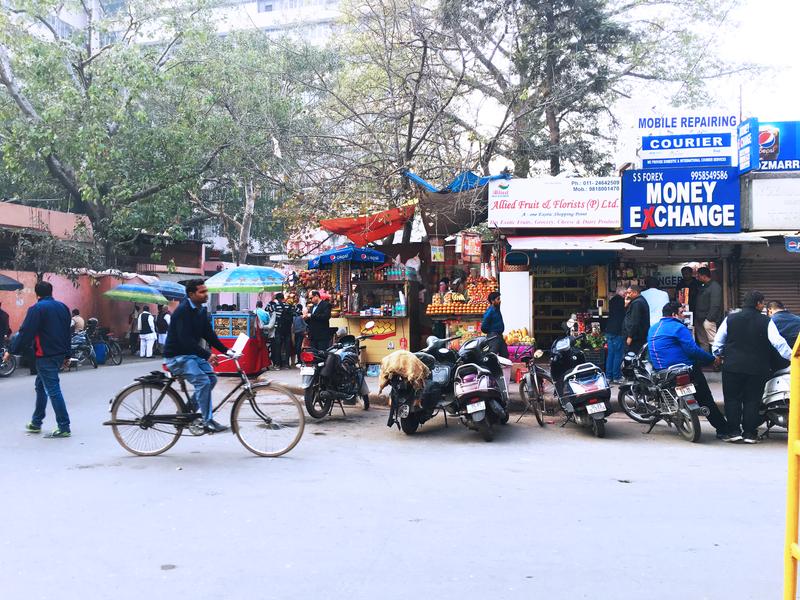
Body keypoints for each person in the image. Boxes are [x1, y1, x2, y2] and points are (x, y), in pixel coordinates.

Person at [713, 291, 792, 443]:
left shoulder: (730, 319)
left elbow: (718, 342)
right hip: (757, 368)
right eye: (762, 303)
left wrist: (718, 354)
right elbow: (779, 343)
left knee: (732, 399)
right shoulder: (766, 321)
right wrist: (792, 357)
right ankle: (749, 434)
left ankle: (734, 432)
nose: (763, 306)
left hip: (732, 367)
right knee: (753, 400)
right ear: (758, 304)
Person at [648, 301, 728, 438]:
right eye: (681, 313)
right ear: (674, 315)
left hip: (662, 372)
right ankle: (723, 429)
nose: (683, 316)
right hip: (685, 369)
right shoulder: (678, 328)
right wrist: (711, 359)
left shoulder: (653, 328)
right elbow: (692, 350)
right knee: (705, 399)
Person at [163, 279, 233, 433]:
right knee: (203, 382)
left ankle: (187, 411)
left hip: (191, 355)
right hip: (177, 357)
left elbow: (209, 334)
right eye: (202, 292)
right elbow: (185, 340)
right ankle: (207, 421)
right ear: (191, 294)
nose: (206, 295)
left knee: (212, 379)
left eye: (206, 291)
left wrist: (227, 351)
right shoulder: (182, 311)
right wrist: (207, 355)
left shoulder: (200, 310)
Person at [4, 281, 72, 437]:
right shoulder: (63, 307)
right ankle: (36, 422)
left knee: (53, 390)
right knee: (41, 386)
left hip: (45, 355)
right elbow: (67, 332)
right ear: (51, 292)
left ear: (37, 293)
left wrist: (11, 351)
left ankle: (64, 426)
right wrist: (68, 354)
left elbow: (25, 332)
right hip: (59, 353)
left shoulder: (37, 309)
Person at [694, 267, 723, 352]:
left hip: (708, 320)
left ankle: (717, 361)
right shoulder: (703, 286)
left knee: (713, 342)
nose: (697, 277)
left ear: (704, 276)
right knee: (703, 341)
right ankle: (706, 360)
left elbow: (715, 305)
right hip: (699, 318)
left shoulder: (715, 286)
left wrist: (709, 319)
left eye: (698, 275)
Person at [604, 287, 626, 383]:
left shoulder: (612, 300)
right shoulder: (622, 301)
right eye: (625, 293)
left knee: (610, 354)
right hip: (617, 331)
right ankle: (616, 377)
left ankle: (608, 376)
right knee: (618, 355)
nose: (626, 295)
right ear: (621, 292)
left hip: (609, 330)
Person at [480, 291, 508, 358]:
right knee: (492, 356)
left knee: (505, 355)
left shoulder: (497, 309)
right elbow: (483, 327)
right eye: (498, 299)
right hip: (493, 337)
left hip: (499, 336)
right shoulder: (490, 312)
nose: (500, 301)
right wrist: (491, 332)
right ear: (492, 301)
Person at [622, 285, 650, 352]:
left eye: (629, 293)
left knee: (632, 357)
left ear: (635, 292)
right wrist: (626, 305)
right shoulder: (637, 301)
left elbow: (634, 321)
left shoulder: (637, 303)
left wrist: (630, 337)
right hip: (638, 337)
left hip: (636, 338)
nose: (627, 295)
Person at [270, 293, 294, 369]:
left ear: (277, 299)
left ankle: (277, 364)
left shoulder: (275, 306)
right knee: (287, 347)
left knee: (278, 347)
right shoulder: (289, 305)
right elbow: (298, 311)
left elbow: (267, 309)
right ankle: (287, 364)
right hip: (287, 329)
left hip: (279, 329)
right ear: (283, 298)